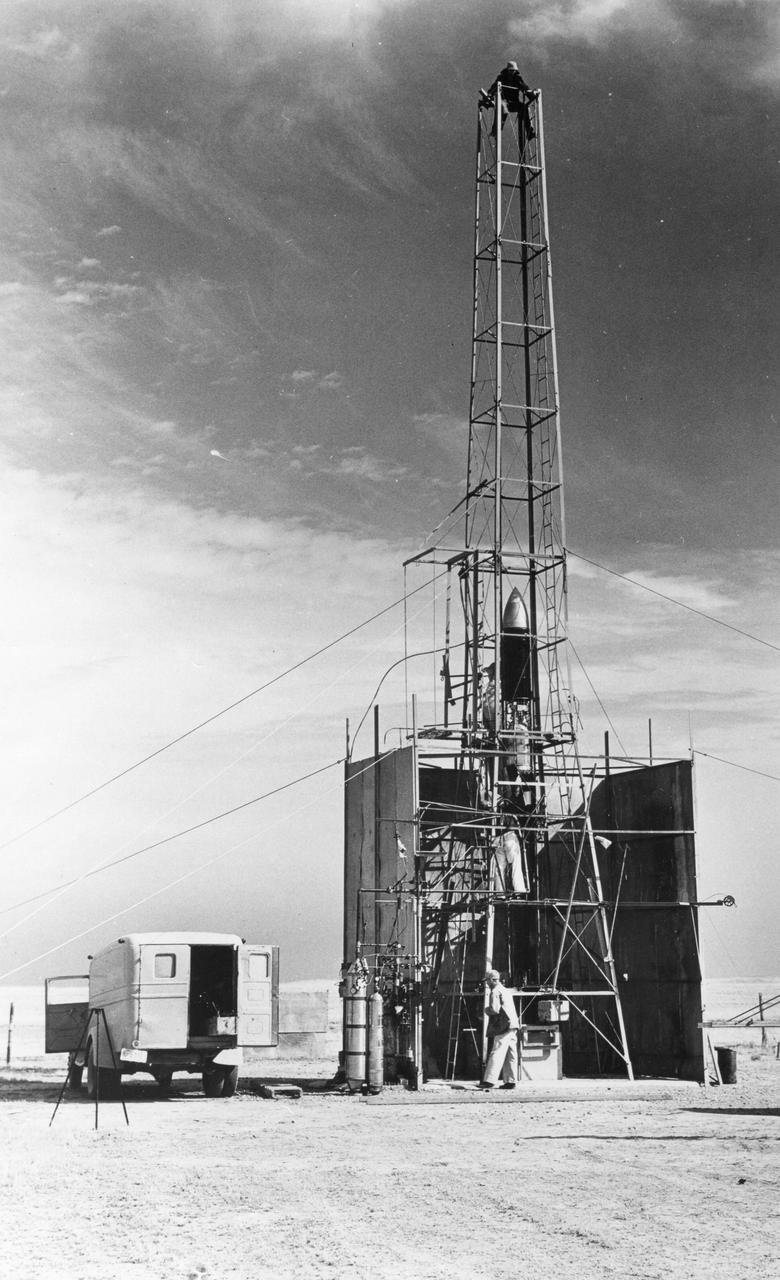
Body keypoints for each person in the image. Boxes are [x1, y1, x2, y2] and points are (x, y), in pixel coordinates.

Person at [479, 968, 520, 1089]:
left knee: (496, 1052)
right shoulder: (505, 990)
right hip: (513, 1024)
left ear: (492, 980)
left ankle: (489, 1081)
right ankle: (510, 1081)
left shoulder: (495, 991)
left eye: (487, 981)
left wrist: (485, 1010)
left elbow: (494, 1010)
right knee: (511, 1054)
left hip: (504, 1026)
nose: (486, 983)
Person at [481, 61, 535, 140]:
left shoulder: (517, 78)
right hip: (504, 101)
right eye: (511, 70)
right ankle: (496, 131)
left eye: (514, 71)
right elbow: (494, 87)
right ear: (508, 70)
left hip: (514, 102)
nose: (512, 72)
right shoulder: (502, 77)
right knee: (503, 108)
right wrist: (490, 95)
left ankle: (530, 132)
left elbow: (524, 87)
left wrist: (531, 95)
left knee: (524, 107)